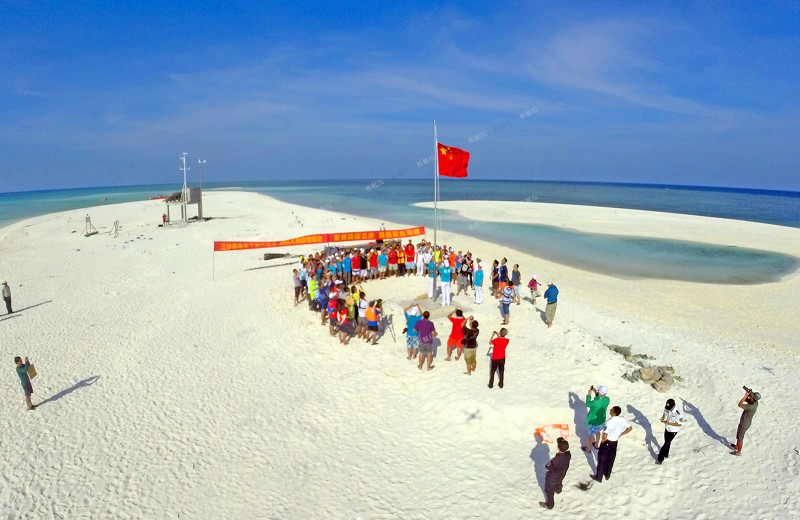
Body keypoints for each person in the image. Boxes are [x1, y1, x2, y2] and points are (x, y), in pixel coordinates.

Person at [592, 406, 633, 483]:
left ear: (613, 412)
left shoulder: (609, 421)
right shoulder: (622, 419)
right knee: (611, 459)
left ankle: (599, 477)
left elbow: (605, 435)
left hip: (607, 442)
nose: (610, 410)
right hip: (615, 442)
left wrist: (603, 441)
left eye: (611, 409)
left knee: (602, 459)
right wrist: (622, 433)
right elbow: (630, 428)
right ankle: (607, 474)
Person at [539, 437, 571, 510]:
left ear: (558, 447)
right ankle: (558, 490)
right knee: (559, 482)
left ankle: (550, 505)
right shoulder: (568, 455)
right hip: (561, 475)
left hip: (552, 479)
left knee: (548, 490)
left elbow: (547, 466)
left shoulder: (555, 460)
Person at [732, 387, 760, 456]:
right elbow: (751, 397)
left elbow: (740, 404)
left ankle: (739, 452)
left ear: (754, 398)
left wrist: (745, 396)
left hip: (744, 424)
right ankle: (737, 446)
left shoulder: (751, 407)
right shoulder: (755, 402)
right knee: (738, 435)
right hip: (743, 422)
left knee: (740, 438)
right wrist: (749, 392)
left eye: (751, 396)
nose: (750, 396)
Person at [656, 398, 684, 464]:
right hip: (667, 428)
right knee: (667, 442)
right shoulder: (666, 408)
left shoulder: (677, 413)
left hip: (673, 431)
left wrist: (668, 423)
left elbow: (679, 424)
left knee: (666, 443)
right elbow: (664, 414)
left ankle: (660, 458)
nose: (668, 409)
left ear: (673, 406)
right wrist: (662, 418)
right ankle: (666, 454)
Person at [584, 385, 610, 451]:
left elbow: (588, 404)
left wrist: (589, 395)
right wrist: (595, 392)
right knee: (598, 431)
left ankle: (588, 449)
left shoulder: (595, 402)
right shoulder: (607, 400)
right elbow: (600, 397)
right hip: (601, 420)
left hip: (593, 421)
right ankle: (596, 444)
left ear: (599, 392)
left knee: (590, 435)